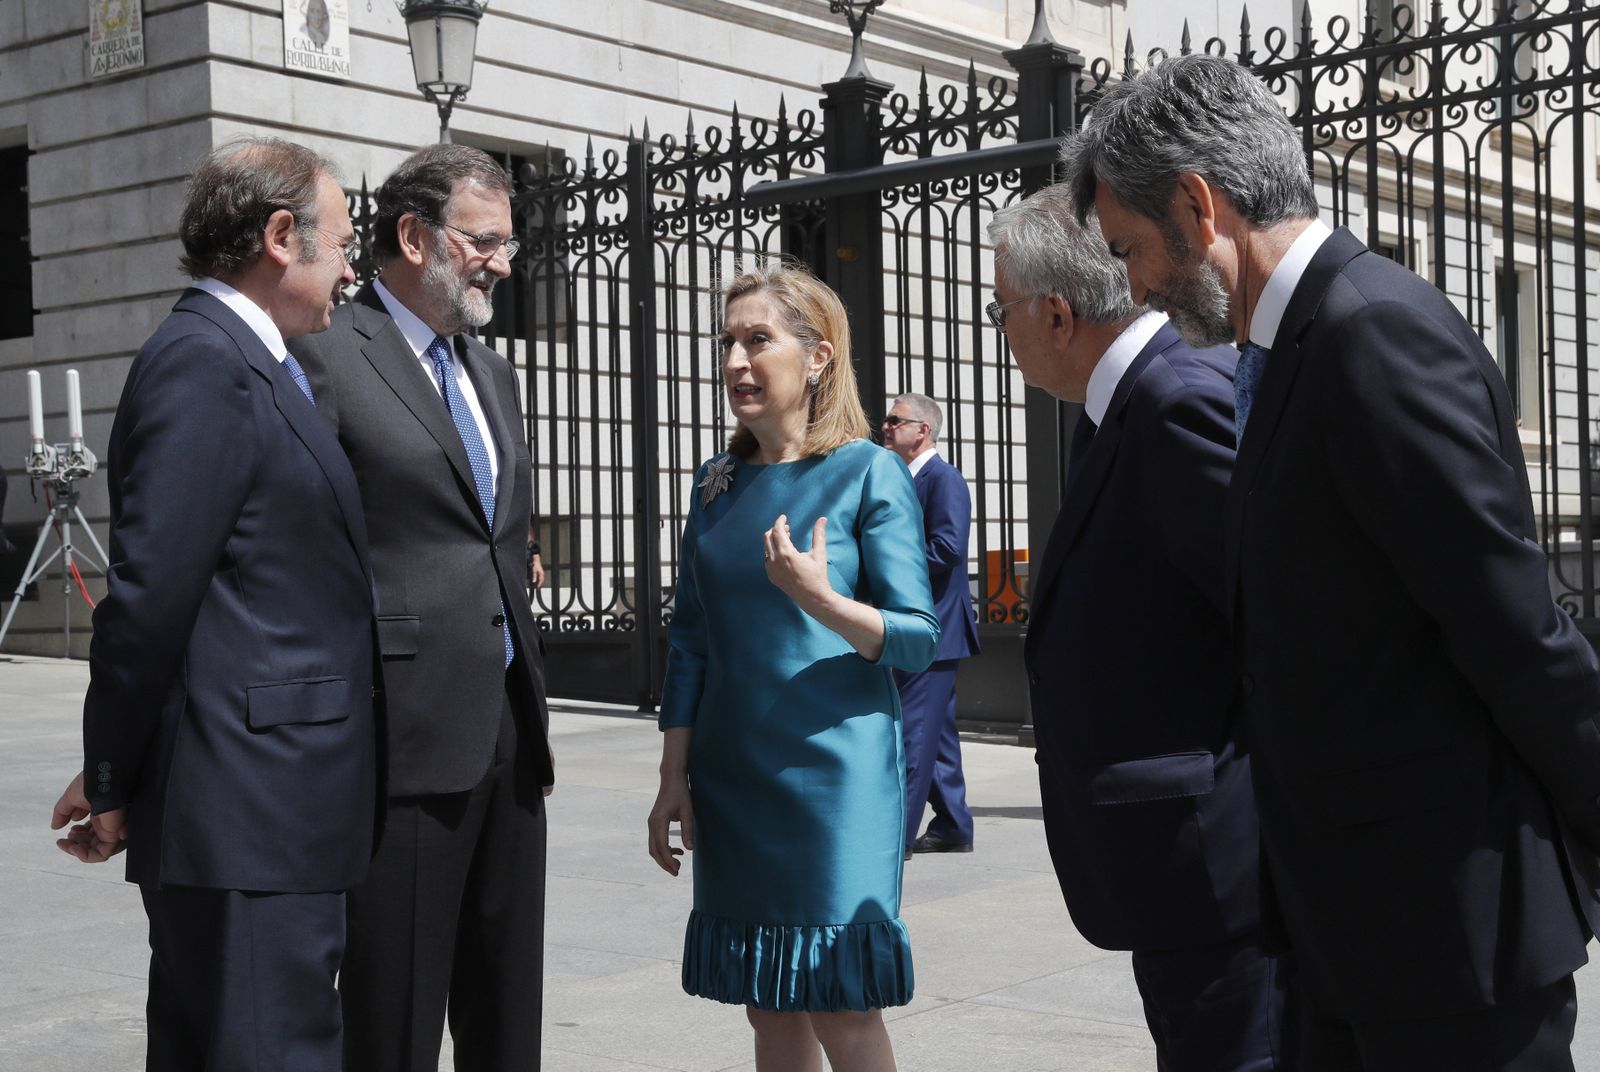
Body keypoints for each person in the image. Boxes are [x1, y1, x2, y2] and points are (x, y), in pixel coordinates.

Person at [1062, 53, 1600, 1071]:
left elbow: (1512, 628)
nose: (1132, 286)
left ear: (1198, 206)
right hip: (1348, 927)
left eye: (1130, 248)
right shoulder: (1289, 348)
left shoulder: (1372, 333)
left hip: (1451, 937)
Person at [48, 137, 373, 1071]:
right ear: (280, 236)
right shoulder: (204, 362)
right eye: (342, 244)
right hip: (247, 817)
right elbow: (149, 600)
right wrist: (113, 774)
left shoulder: (257, 361)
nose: (351, 271)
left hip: (272, 811)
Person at [989, 182, 1281, 1069]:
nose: (1001, 331)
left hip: (1219, 879)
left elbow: (1286, 623)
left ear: (1057, 313)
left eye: (1001, 311)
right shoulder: (1124, 404)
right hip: (1179, 882)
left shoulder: (1174, 398)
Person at [288, 143, 555, 1072]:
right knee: (392, 1023)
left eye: (508, 244)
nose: (503, 264)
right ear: (414, 236)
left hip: (509, 734)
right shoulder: (326, 353)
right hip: (400, 742)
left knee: (507, 1016)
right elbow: (298, 549)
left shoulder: (491, 371)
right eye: (484, 242)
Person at [647, 263, 940, 1072]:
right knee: (768, 1003)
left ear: (817, 357)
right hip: (732, 776)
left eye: (757, 340)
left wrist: (823, 601)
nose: (735, 361)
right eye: (727, 342)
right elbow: (691, 640)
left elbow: (918, 637)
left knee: (841, 1000)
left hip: (835, 781)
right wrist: (672, 777)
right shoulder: (715, 484)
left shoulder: (868, 471)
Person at [880, 392, 980, 858]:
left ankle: (896, 837)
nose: (885, 426)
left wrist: (885, 563)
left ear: (923, 430)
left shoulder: (944, 479)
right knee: (935, 736)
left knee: (914, 736)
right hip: (920, 626)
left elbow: (948, 548)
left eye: (894, 420)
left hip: (935, 628)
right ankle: (953, 826)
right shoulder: (905, 477)